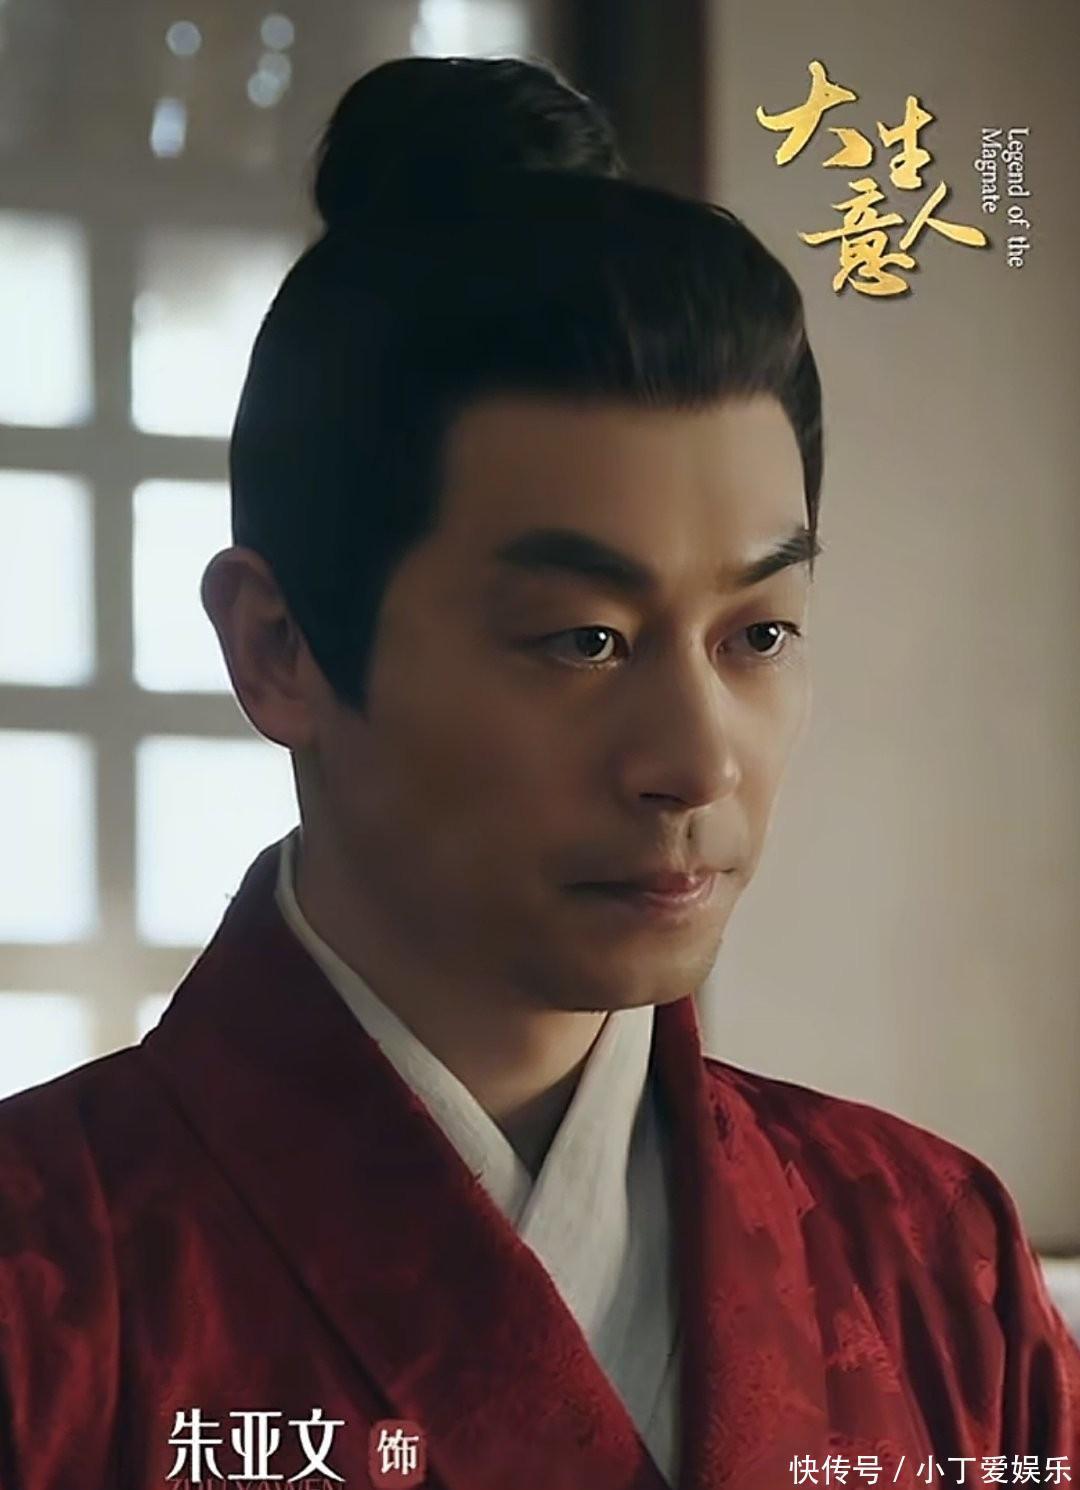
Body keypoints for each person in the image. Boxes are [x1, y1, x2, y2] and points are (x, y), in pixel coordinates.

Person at [0, 54, 1077, 1490]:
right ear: (279, 646)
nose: (697, 759)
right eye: (584, 638)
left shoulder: (937, 1258)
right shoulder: (42, 1295)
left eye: (758, 633)